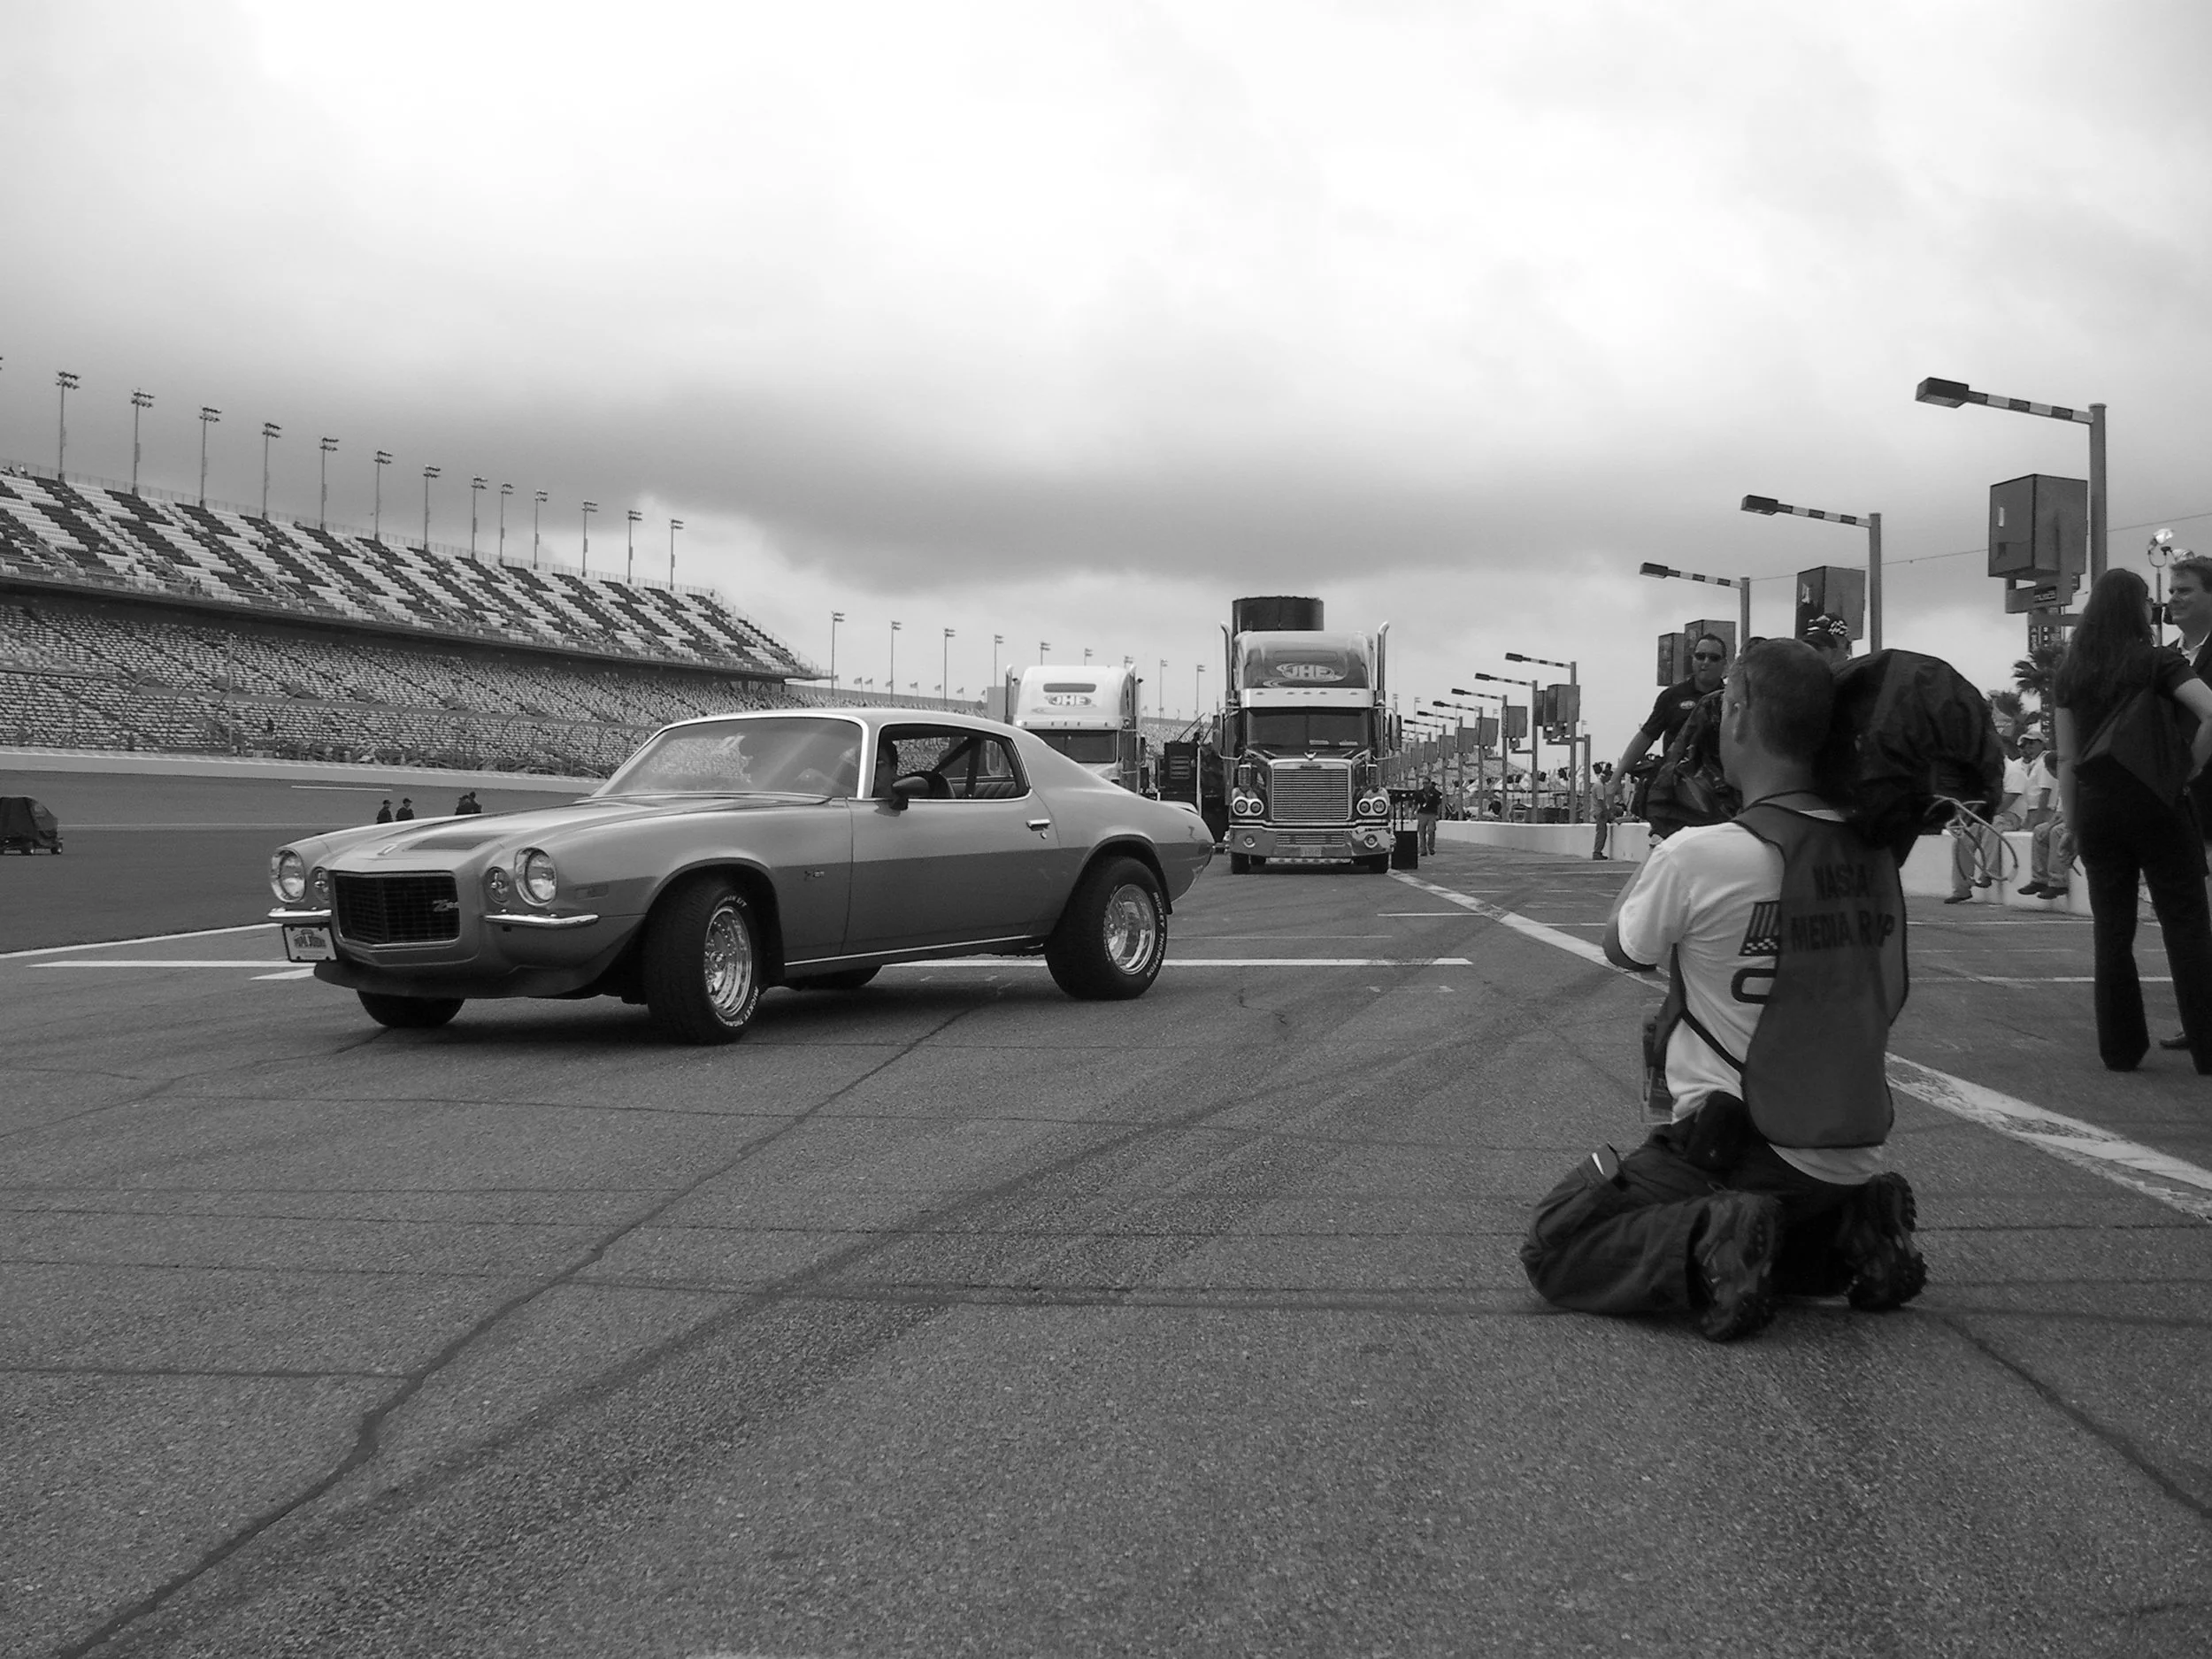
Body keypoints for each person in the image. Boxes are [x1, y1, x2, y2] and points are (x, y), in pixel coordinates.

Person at [1520, 639, 1924, 1342]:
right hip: (1852, 1147)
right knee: (1786, 1214)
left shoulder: (1700, 854)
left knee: (1556, 1242)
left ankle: (1718, 1227)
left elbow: (1623, 944)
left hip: (1744, 1143)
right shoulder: (1874, 850)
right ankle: (1856, 1227)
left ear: (1736, 714)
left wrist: (1666, 843)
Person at [2052, 567, 2212, 1072]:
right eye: (2148, 601)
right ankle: (2209, 1046)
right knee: (2186, 923)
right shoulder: (2157, 660)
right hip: (2158, 803)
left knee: (2112, 930)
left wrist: (2072, 826)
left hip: (2099, 810)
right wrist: (2189, 767)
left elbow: (2067, 759)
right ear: (2134, 609)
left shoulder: (2070, 673)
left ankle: (2120, 1049)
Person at [2157, 555, 2212, 1047]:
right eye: (2172, 590)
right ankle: (2200, 1019)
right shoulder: (2165, 658)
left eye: (2186, 590)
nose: (2172, 598)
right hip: (2182, 811)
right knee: (2193, 921)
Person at [1610, 634, 1730, 813]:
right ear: (1692, 660)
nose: (1706, 662)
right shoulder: (1672, 697)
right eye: (1700, 656)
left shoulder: (1732, 699)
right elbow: (1646, 736)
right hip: (1677, 792)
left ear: (1724, 664)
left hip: (1720, 794)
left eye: (1713, 658)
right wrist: (1616, 778)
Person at [1945, 724, 2026, 902]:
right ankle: (1962, 889)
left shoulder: (2013, 770)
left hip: (2009, 816)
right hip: (1987, 816)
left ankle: (1989, 873)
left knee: (1993, 824)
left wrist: (1982, 817)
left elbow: (2008, 800)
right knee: (1962, 840)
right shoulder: (1985, 773)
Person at [1416, 780, 1441, 854]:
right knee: (1421, 832)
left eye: (1427, 783)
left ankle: (1431, 847)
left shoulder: (1435, 793)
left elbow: (1438, 804)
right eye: (1424, 783)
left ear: (1430, 783)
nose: (1425, 785)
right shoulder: (1419, 793)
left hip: (1432, 814)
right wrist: (1414, 813)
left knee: (1431, 830)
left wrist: (1438, 814)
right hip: (1422, 814)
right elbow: (1416, 803)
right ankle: (1423, 850)